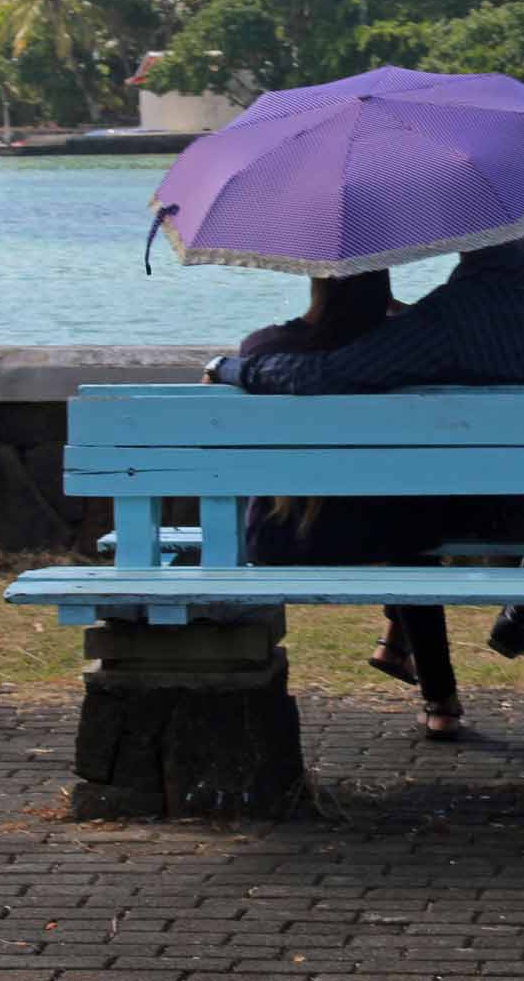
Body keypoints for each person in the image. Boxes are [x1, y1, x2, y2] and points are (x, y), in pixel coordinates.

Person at [206, 223, 524, 758]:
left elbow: (325, 376)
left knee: (506, 498)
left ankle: (507, 613)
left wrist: (233, 367)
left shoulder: (454, 313)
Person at [218, 271, 470, 742]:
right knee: (413, 541)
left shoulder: (263, 347)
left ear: (317, 282)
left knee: (405, 529)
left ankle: (399, 646)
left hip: (280, 538)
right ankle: (440, 701)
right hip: (386, 534)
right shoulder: (397, 354)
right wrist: (405, 316)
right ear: (382, 284)